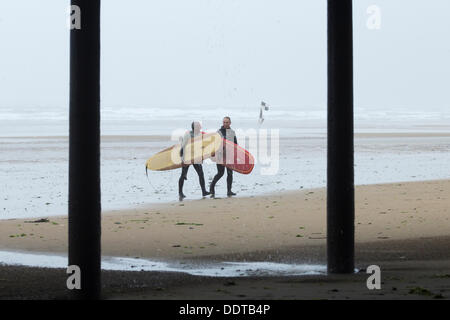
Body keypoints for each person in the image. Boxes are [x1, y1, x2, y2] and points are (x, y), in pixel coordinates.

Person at [178, 121, 210, 201]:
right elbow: (183, 147)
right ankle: (180, 192)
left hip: (196, 157)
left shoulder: (200, 134)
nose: (200, 127)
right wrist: (182, 160)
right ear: (194, 127)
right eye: (198, 126)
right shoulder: (188, 134)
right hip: (187, 157)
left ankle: (204, 191)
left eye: (200, 126)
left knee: (201, 174)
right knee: (183, 175)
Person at [210, 116, 237, 197]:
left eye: (227, 122)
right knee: (220, 173)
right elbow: (214, 144)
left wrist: (236, 155)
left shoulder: (232, 132)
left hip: (229, 156)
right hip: (220, 156)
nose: (225, 123)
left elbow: (235, 144)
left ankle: (229, 191)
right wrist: (213, 153)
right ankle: (211, 187)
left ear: (230, 123)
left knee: (230, 173)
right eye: (224, 122)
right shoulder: (219, 132)